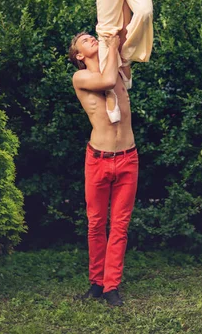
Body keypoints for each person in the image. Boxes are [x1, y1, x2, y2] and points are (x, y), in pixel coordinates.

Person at [69, 31, 138, 307]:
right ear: (78, 56)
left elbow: (123, 35)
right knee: (96, 224)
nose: (92, 40)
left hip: (128, 158)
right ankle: (96, 283)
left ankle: (112, 287)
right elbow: (106, 80)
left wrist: (114, 37)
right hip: (97, 159)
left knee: (119, 226)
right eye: (85, 41)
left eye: (92, 36)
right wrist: (109, 46)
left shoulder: (119, 69)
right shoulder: (82, 78)